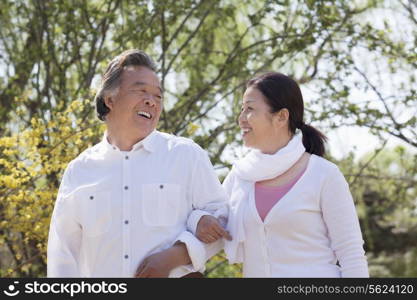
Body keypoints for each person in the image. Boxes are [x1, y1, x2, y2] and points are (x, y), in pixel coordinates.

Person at [47, 49, 230, 278]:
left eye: (158, 96)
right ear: (110, 99)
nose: (151, 102)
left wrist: (177, 255)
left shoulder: (186, 156)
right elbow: (62, 253)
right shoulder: (79, 170)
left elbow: (222, 221)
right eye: (141, 90)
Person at [193, 72, 369, 277]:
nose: (240, 119)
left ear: (281, 117)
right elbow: (211, 220)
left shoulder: (324, 175)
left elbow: (351, 253)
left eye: (249, 109)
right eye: (242, 109)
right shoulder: (240, 176)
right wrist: (197, 219)